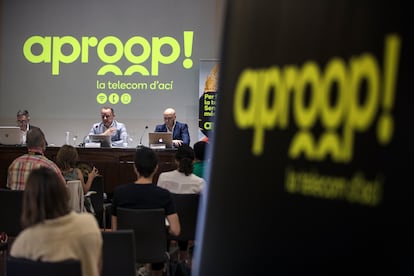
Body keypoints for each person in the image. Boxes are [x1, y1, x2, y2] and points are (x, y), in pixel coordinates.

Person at [9, 167, 103, 276]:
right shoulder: (88, 224)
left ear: (29, 200)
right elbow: (98, 266)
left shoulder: (22, 243)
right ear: (62, 192)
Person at [111, 146, 180, 276]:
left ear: (135, 168)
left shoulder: (119, 193)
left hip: (127, 252)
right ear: (156, 168)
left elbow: (115, 231)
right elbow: (176, 230)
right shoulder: (164, 195)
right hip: (156, 253)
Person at [157, 144, 205, 261]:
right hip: (192, 229)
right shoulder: (200, 183)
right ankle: (184, 259)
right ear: (193, 161)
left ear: (175, 160)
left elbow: (158, 204)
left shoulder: (163, 178)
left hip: (168, 228)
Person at [56, 145, 99, 213]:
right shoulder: (77, 172)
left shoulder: (56, 172)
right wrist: (91, 177)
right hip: (77, 207)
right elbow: (84, 191)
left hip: (60, 207)